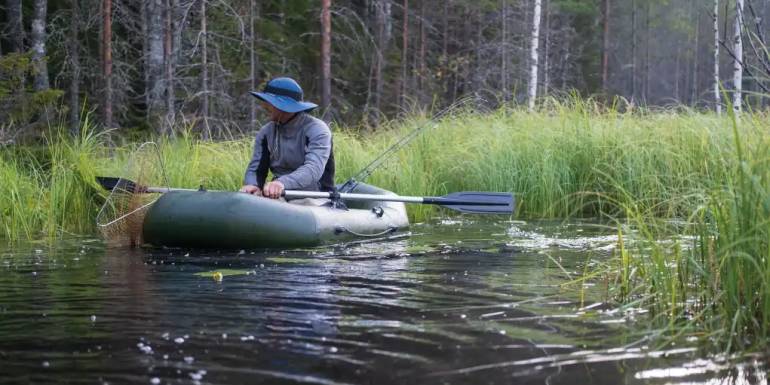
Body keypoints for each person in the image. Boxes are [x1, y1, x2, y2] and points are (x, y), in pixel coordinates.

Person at [240, 77, 335, 200]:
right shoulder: (265, 133)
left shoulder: (318, 130)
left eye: (268, 103)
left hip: (316, 198)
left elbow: (313, 170)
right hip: (280, 196)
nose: (263, 105)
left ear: (282, 105)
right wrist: (252, 184)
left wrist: (281, 183)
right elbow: (256, 168)